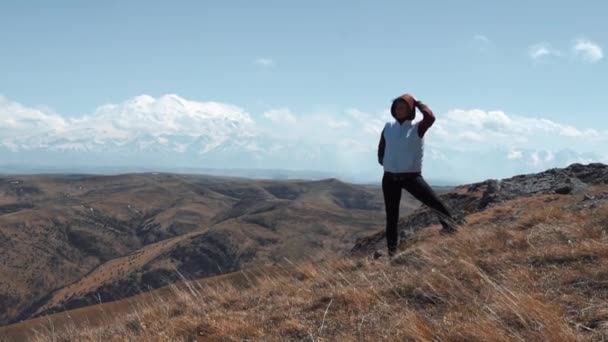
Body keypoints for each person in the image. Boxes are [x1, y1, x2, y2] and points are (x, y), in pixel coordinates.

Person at [377, 93, 459, 257]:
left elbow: (430, 117)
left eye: (404, 107)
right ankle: (392, 253)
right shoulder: (388, 127)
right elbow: (381, 148)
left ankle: (454, 230)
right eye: (397, 107)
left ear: (411, 110)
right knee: (392, 217)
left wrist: (417, 102)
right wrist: (385, 162)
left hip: (411, 177)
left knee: (434, 203)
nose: (400, 110)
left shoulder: (417, 127)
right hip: (389, 178)